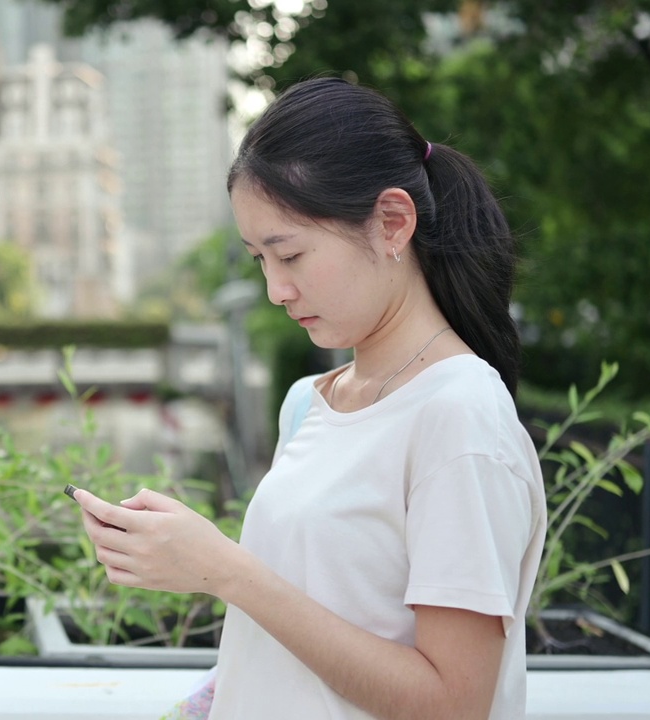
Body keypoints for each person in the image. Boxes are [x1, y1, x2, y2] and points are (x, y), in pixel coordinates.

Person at [70, 76, 547, 720]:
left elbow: (451, 704)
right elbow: (311, 630)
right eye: (259, 260)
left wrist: (227, 572)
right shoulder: (310, 403)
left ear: (392, 223)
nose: (276, 290)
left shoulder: (459, 417)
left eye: (289, 254)